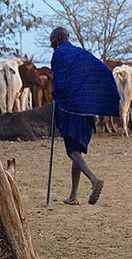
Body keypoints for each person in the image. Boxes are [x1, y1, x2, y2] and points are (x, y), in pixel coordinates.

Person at [49, 27, 120, 205]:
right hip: (86, 110)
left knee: (72, 151)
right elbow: (103, 70)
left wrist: (57, 94)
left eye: (52, 42)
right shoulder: (81, 54)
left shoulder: (59, 55)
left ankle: (94, 179)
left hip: (68, 109)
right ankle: (73, 196)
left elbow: (59, 82)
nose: (51, 46)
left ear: (57, 40)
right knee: (77, 151)